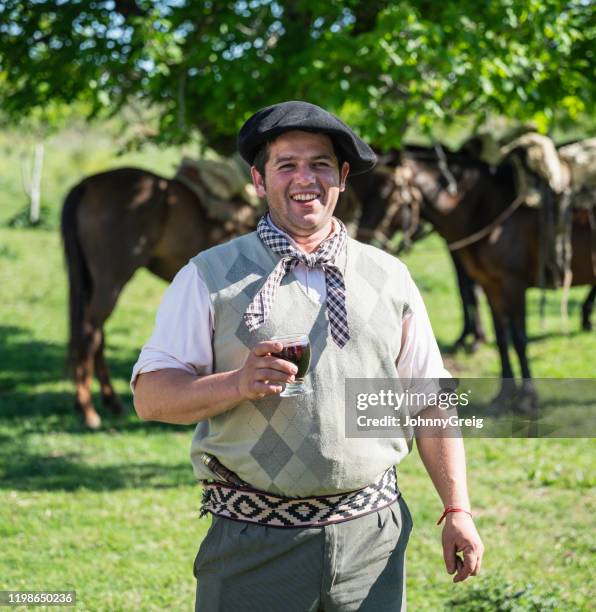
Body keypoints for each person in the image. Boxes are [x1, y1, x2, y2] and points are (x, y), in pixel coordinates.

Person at [132, 101, 484, 611]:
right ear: (258, 179)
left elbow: (431, 399)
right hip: (253, 545)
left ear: (342, 176)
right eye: (287, 165)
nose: (306, 178)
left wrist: (458, 508)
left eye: (320, 163)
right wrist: (236, 383)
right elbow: (150, 397)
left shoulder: (391, 277)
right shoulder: (208, 276)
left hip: (373, 542)